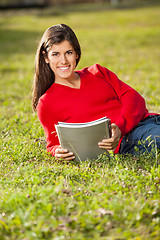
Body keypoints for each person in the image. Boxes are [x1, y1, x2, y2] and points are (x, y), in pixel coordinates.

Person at [32, 24, 160, 161]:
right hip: (128, 139)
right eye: (55, 54)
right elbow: (53, 143)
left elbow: (134, 99)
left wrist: (120, 126)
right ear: (46, 57)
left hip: (148, 120)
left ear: (76, 54)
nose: (63, 61)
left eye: (68, 52)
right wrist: (56, 151)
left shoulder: (97, 72)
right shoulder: (46, 103)